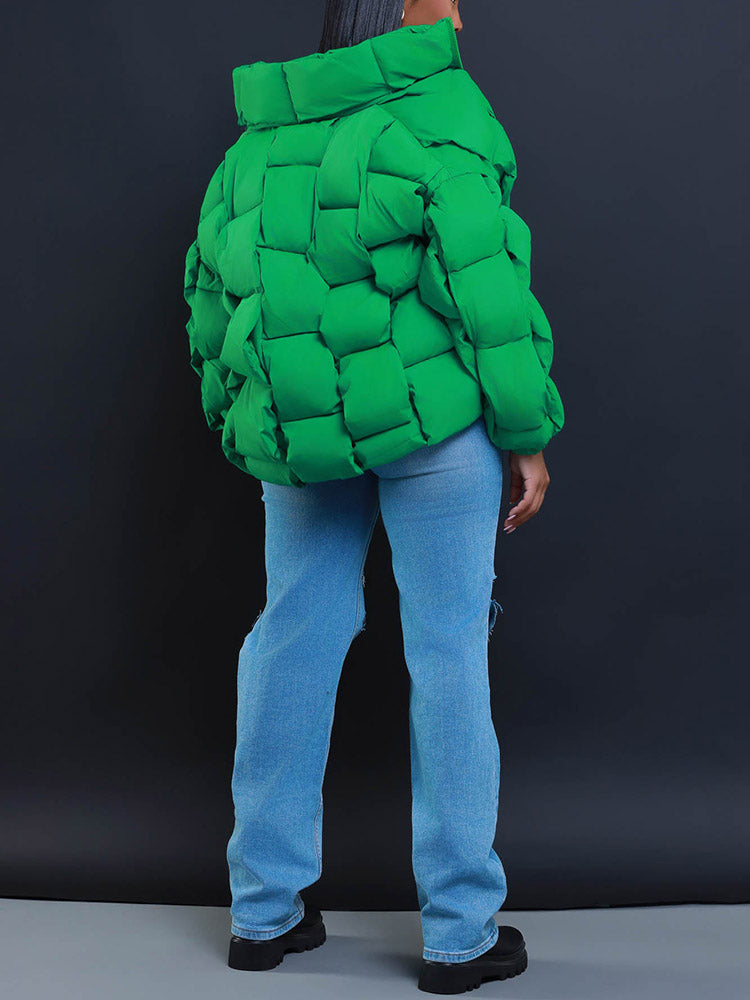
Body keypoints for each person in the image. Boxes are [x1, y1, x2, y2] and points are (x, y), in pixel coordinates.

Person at [183, 0, 564, 993]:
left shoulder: (255, 145)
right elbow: (486, 285)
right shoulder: (441, 110)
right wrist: (526, 430)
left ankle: (262, 912)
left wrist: (248, 423)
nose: (459, 10)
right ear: (397, 9)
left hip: (304, 444)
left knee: (292, 635)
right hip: (433, 432)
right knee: (447, 651)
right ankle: (460, 933)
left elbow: (212, 301)